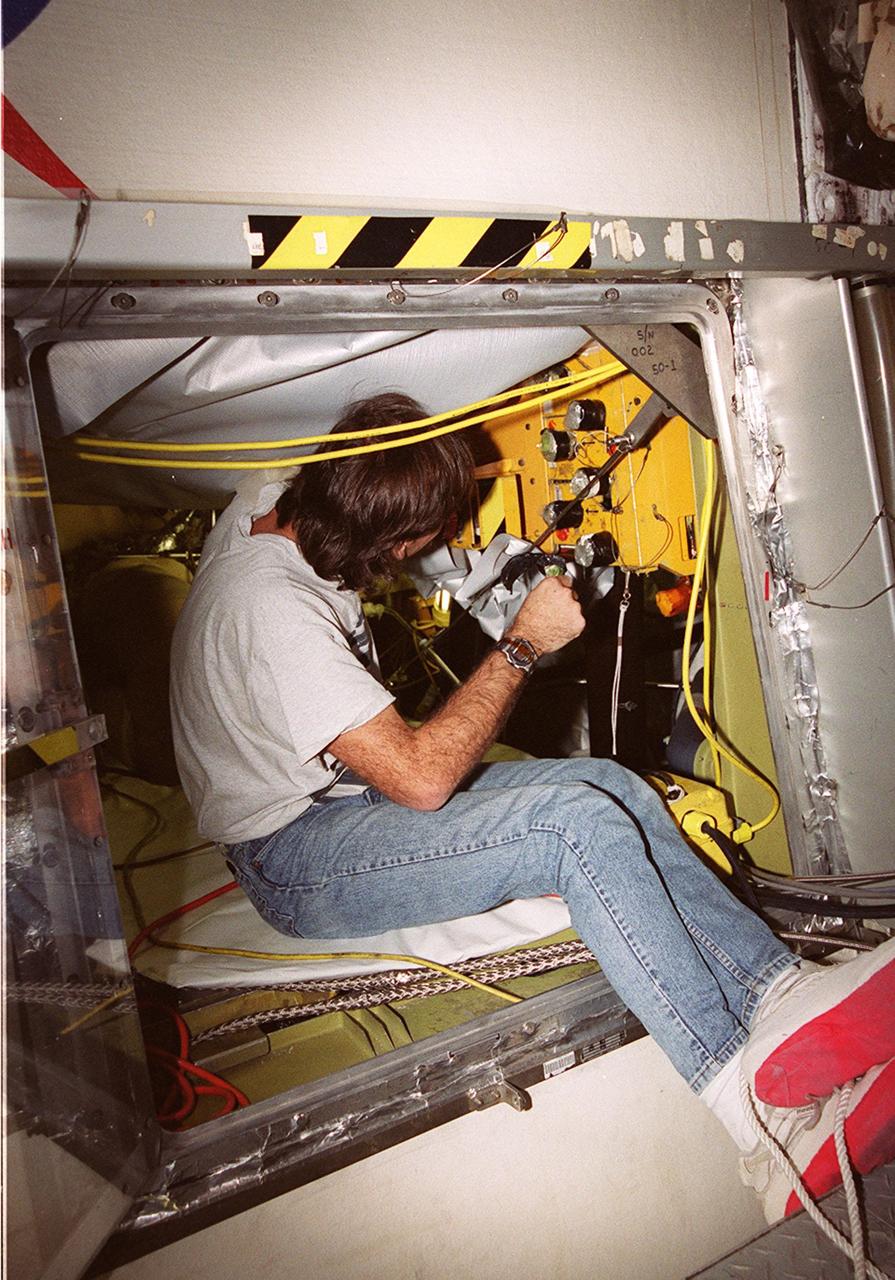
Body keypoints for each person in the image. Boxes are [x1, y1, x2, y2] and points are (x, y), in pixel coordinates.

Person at [170, 392, 895, 1227]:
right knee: (569, 827)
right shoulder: (272, 608)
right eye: (423, 540)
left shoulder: (279, 503)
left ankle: (778, 993)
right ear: (381, 536)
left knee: (609, 787)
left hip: (347, 801)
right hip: (295, 855)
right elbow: (421, 780)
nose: (428, 552)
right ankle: (754, 1116)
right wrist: (521, 643)